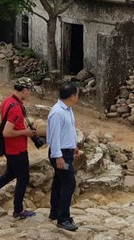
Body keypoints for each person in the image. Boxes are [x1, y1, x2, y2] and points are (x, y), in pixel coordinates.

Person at [0, 77, 38, 220]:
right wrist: (25, 132)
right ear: (25, 90)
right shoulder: (16, 108)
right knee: (23, 178)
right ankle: (18, 210)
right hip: (17, 149)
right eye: (30, 91)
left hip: (10, 149)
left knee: (9, 174)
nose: (30, 94)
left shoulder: (7, 101)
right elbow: (7, 132)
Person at [47, 83, 80, 232]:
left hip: (67, 152)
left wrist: (73, 145)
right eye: (77, 94)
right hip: (60, 154)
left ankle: (55, 212)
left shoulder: (68, 109)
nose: (78, 97)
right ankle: (63, 218)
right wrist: (58, 157)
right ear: (72, 96)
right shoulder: (57, 113)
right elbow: (54, 137)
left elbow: (68, 130)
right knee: (69, 183)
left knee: (59, 182)